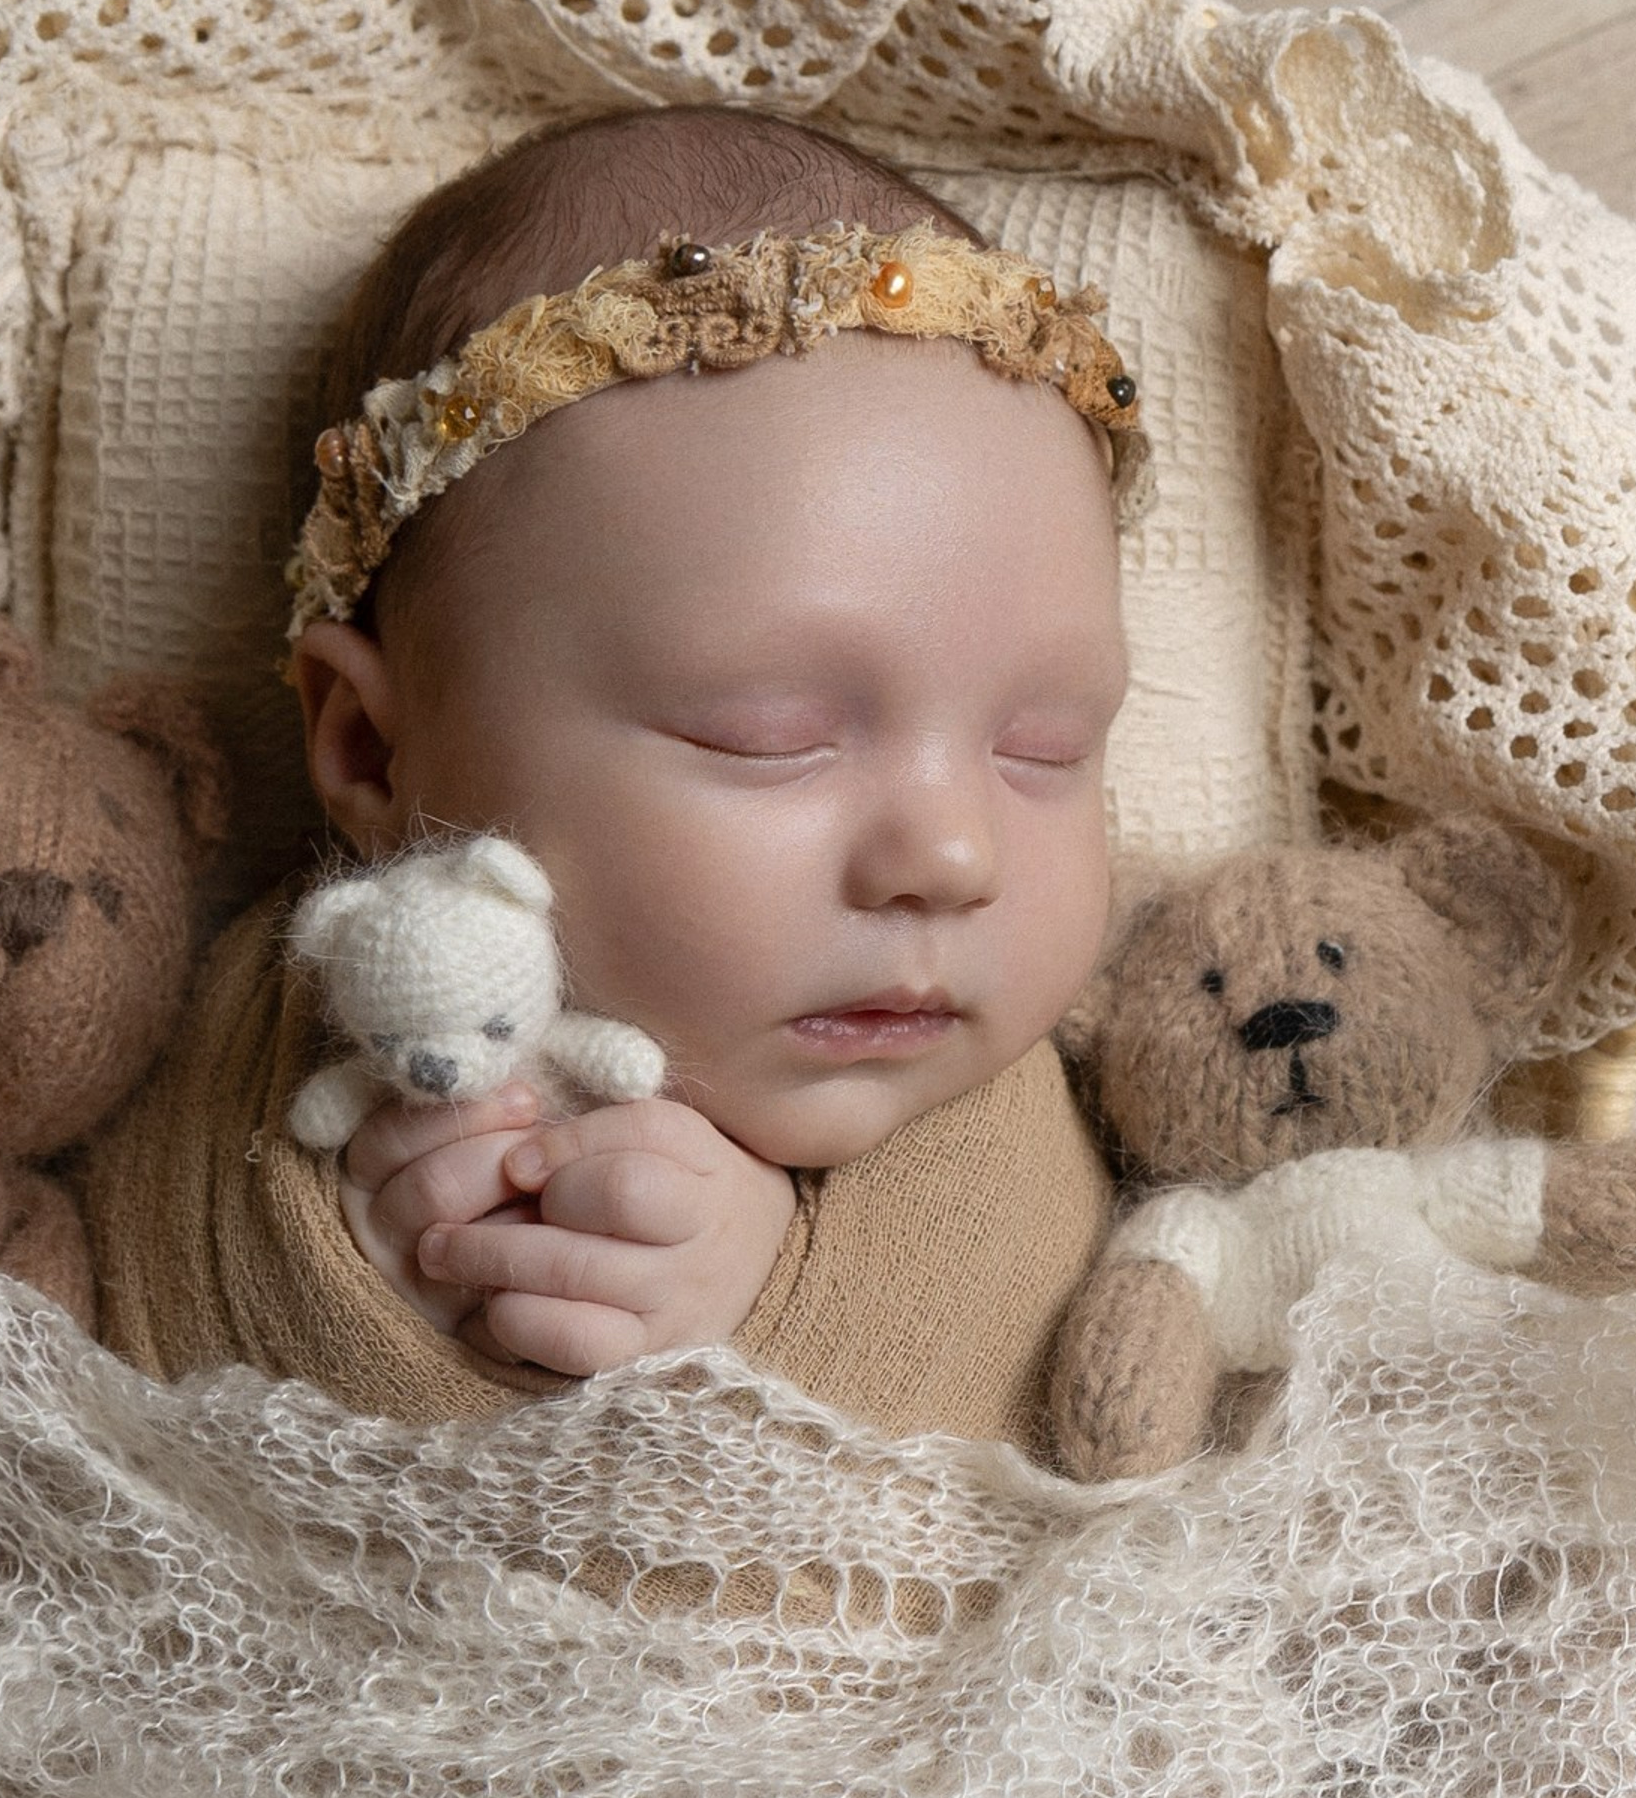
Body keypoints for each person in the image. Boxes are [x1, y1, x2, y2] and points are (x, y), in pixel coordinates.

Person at [86, 105, 1148, 1450]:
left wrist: (759, 1310)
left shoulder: (988, 1105)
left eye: (1046, 749)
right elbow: (129, 1342)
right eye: (768, 735)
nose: (951, 855)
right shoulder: (301, 1026)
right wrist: (380, 1284)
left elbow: (1041, 1399)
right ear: (368, 746)